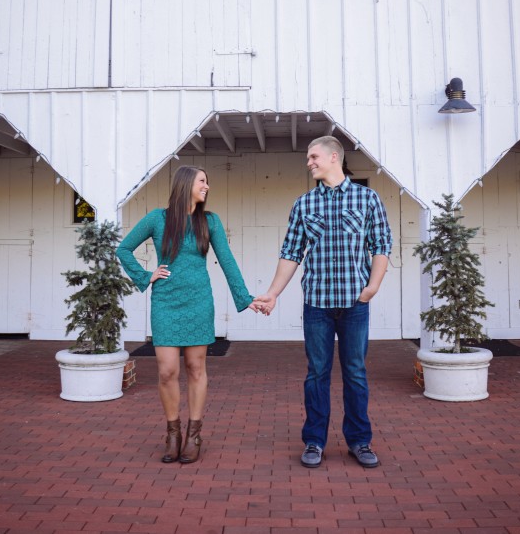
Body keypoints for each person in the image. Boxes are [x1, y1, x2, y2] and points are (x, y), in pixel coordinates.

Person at [253, 136, 392, 469]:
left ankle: (360, 441)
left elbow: (382, 245)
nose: (309, 162)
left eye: (313, 157)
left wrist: (372, 287)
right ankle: (314, 441)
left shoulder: (367, 198)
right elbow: (291, 254)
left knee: (355, 373)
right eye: (308, 158)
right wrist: (272, 292)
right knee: (316, 374)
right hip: (316, 304)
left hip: (355, 304)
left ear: (334, 157)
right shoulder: (304, 204)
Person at [116, 165, 255, 464]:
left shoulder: (210, 222)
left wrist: (245, 298)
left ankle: (193, 434)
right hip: (166, 301)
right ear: (186, 183)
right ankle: (172, 433)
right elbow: (124, 249)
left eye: (207, 181)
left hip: (198, 301)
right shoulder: (157, 218)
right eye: (202, 181)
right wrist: (145, 276)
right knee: (167, 371)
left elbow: (227, 262)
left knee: (195, 367)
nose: (207, 186)